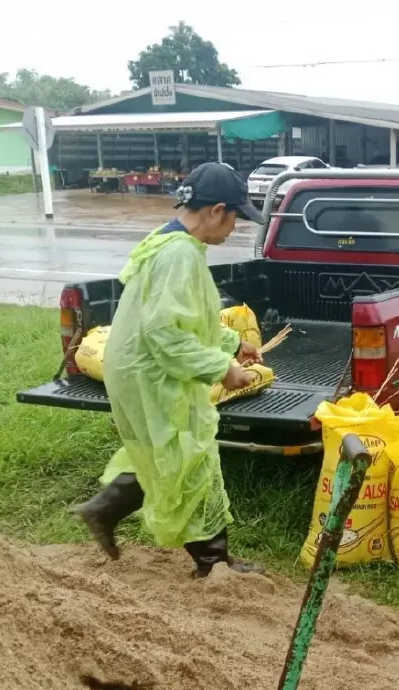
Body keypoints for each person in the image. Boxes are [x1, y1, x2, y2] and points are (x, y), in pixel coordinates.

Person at [76, 162, 266, 578]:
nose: (235, 228)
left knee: (164, 455)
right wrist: (222, 367)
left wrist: (234, 343)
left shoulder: (170, 240)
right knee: (190, 459)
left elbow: (185, 315)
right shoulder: (180, 255)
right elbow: (166, 333)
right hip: (153, 370)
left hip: (138, 365)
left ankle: (103, 510)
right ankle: (213, 565)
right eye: (236, 217)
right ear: (217, 210)